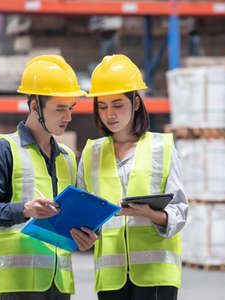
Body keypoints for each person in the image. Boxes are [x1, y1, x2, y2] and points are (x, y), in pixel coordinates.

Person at [0, 55, 98, 300]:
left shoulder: (67, 157)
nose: (68, 117)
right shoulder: (5, 150)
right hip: (18, 283)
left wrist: (88, 235)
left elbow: (73, 214)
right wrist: (25, 210)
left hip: (58, 283)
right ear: (34, 107)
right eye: (60, 109)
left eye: (70, 108)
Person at [76, 54, 188, 300]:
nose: (109, 114)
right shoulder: (91, 153)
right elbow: (84, 215)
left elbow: (180, 212)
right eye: (102, 106)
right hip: (110, 278)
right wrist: (83, 234)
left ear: (136, 103)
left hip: (156, 276)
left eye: (118, 105)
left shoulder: (162, 148)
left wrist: (150, 213)